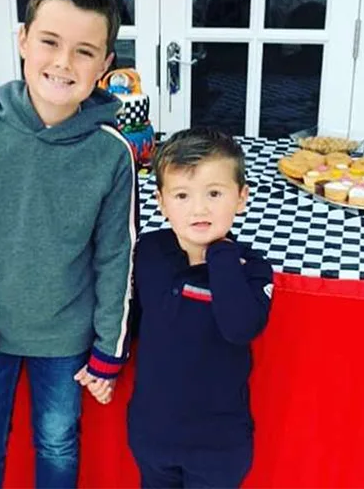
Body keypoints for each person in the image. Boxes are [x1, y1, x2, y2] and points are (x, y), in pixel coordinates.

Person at [0, 0, 138, 488]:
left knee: (58, 441)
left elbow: (116, 257)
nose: (64, 62)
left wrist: (108, 348)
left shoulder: (113, 153)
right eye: (50, 41)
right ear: (24, 40)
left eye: (84, 51)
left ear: (104, 64)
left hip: (66, 337)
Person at [127, 128, 273, 488]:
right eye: (182, 195)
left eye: (214, 193)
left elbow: (240, 327)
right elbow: (131, 321)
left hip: (218, 445)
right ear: (161, 202)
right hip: (152, 434)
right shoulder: (148, 251)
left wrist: (220, 254)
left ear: (241, 198)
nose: (199, 208)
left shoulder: (251, 268)